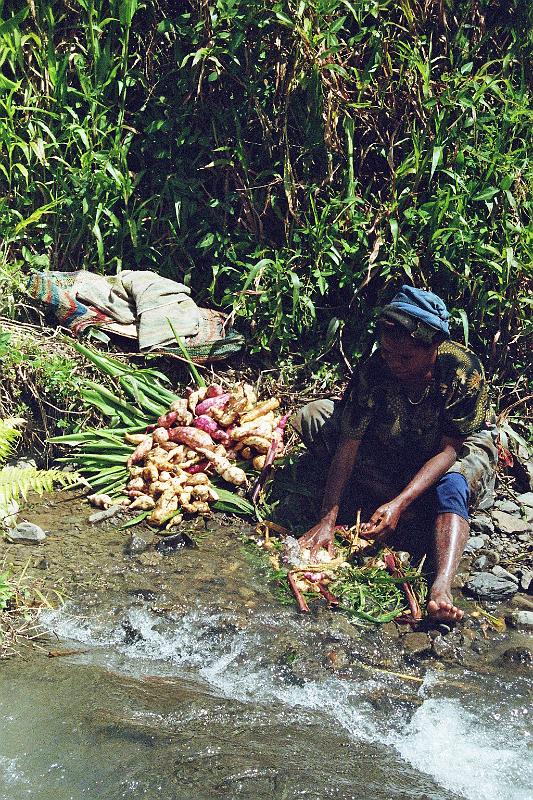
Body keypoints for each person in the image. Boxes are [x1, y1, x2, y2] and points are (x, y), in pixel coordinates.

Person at [293, 285, 498, 623]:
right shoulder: (376, 369)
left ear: (433, 348)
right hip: (396, 447)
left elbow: (450, 449)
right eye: (389, 353)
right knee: (314, 416)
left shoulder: (463, 371)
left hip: (451, 450)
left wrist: (400, 502)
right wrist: (327, 519)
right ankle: (407, 508)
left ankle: (441, 586)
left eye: (406, 357)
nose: (394, 363)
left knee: (454, 482)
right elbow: (349, 443)